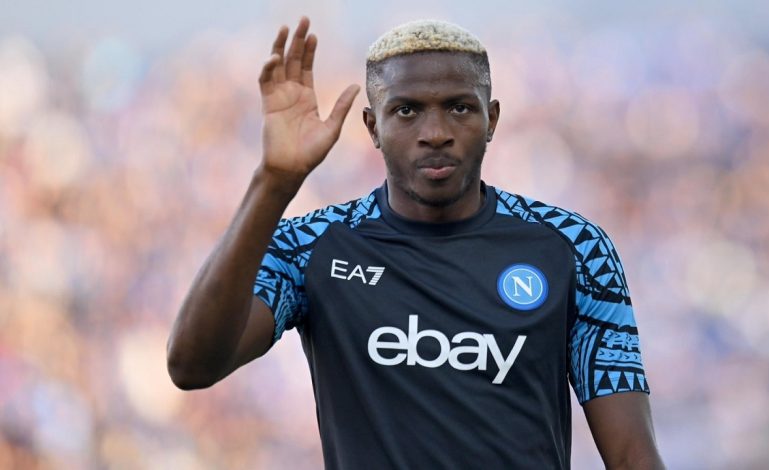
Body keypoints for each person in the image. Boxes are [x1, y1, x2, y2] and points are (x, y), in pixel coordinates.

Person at [167, 16, 665, 469]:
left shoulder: (575, 248)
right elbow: (192, 366)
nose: (435, 132)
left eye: (459, 108)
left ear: (491, 119)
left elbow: (632, 456)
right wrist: (274, 182)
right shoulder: (311, 247)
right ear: (372, 127)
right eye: (406, 110)